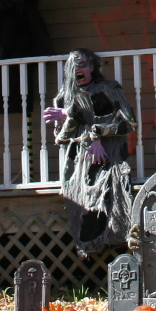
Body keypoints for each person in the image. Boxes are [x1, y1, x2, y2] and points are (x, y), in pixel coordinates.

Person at [43, 48, 134, 255]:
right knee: (84, 206)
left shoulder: (108, 89)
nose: (79, 70)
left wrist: (98, 134)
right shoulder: (64, 98)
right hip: (80, 162)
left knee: (110, 194)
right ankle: (92, 246)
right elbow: (61, 138)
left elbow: (129, 123)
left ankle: (118, 241)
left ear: (93, 67)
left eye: (83, 65)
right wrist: (70, 115)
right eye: (74, 66)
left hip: (110, 156)